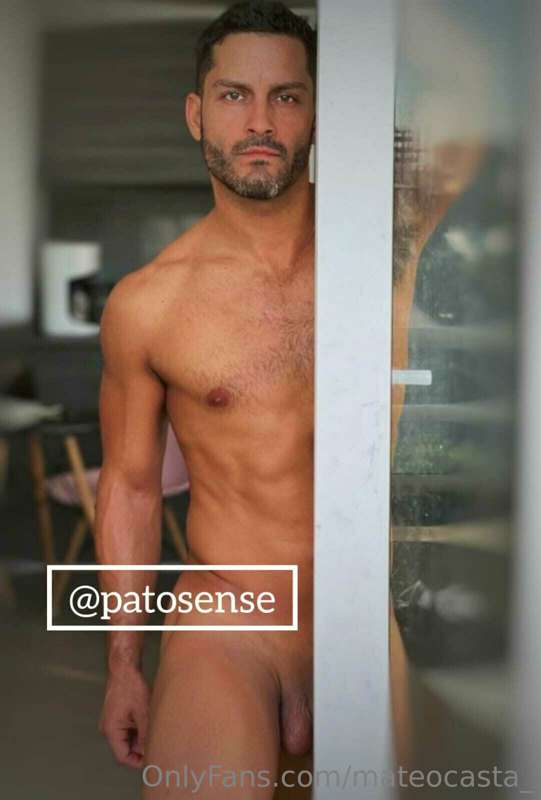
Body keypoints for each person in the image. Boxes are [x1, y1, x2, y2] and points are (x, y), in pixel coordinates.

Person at [96, 2, 317, 797]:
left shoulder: (390, 260)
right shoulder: (148, 303)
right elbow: (129, 486)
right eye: (233, 96)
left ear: (316, 111)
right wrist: (124, 662)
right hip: (231, 615)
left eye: (285, 96)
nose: (259, 122)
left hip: (385, 609)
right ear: (196, 115)